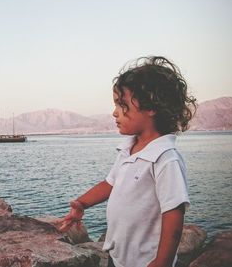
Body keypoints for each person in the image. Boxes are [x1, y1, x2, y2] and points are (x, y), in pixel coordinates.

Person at [58, 56, 197, 267]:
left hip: (145, 261)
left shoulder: (165, 158)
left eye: (121, 105)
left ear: (151, 106)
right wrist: (81, 203)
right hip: (119, 257)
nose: (114, 113)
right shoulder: (128, 149)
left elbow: (174, 215)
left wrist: (162, 262)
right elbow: (110, 184)